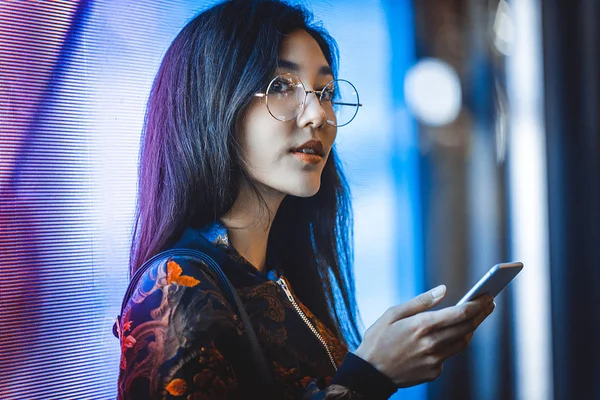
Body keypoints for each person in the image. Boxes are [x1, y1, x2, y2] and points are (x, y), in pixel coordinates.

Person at [116, 0, 495, 398]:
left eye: (325, 91)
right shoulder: (176, 288)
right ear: (213, 103)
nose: (319, 114)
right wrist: (371, 376)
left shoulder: (279, 277)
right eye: (281, 86)